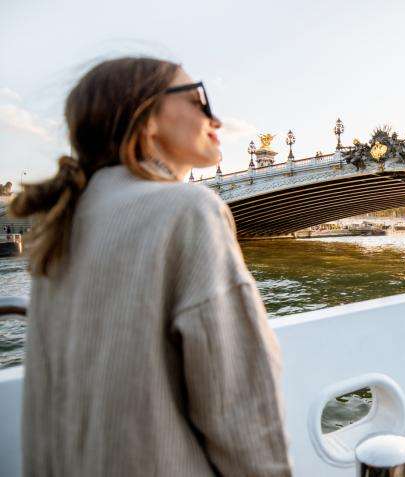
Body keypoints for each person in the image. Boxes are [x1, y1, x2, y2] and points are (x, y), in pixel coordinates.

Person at [9, 57, 291, 476]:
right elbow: (241, 412)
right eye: (198, 99)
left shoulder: (65, 222)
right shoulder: (188, 210)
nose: (216, 118)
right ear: (147, 118)